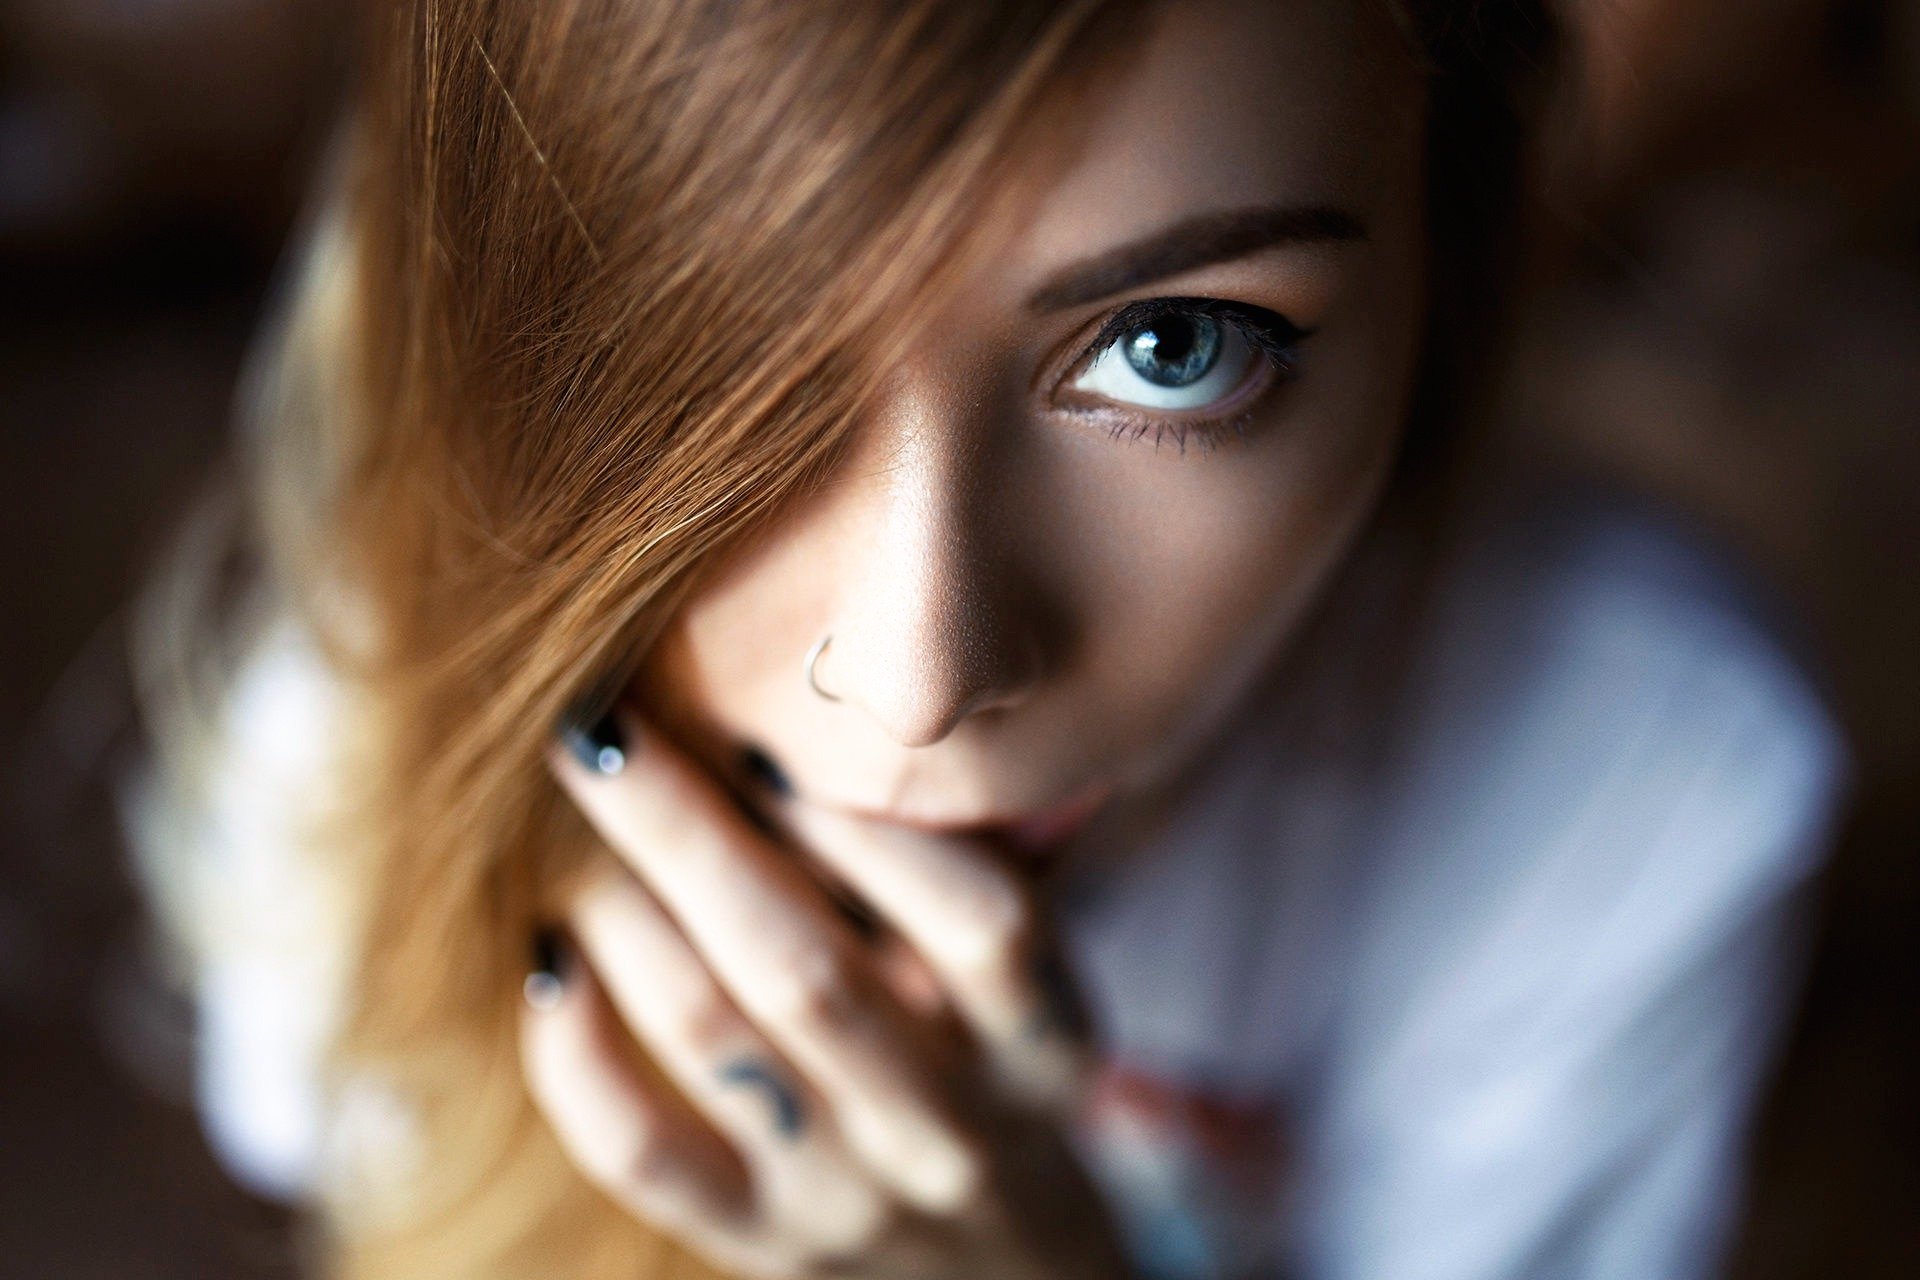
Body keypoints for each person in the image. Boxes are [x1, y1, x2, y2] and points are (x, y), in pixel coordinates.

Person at [125, 2, 1851, 1278]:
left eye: (1176, 348)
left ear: (1442, 293)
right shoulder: (414, 579)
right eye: (734, 374)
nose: (919, 677)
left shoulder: (1643, 775)